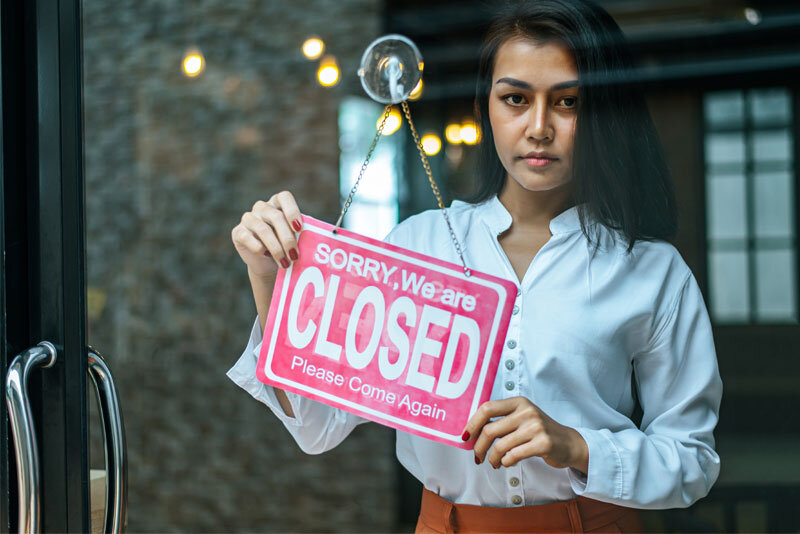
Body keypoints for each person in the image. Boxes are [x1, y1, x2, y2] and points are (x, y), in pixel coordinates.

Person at [228, 0, 722, 531]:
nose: (538, 127)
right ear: (485, 105)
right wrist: (267, 276)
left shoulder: (651, 272)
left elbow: (692, 461)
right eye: (515, 98)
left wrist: (577, 446)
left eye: (568, 102)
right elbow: (316, 425)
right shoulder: (417, 246)